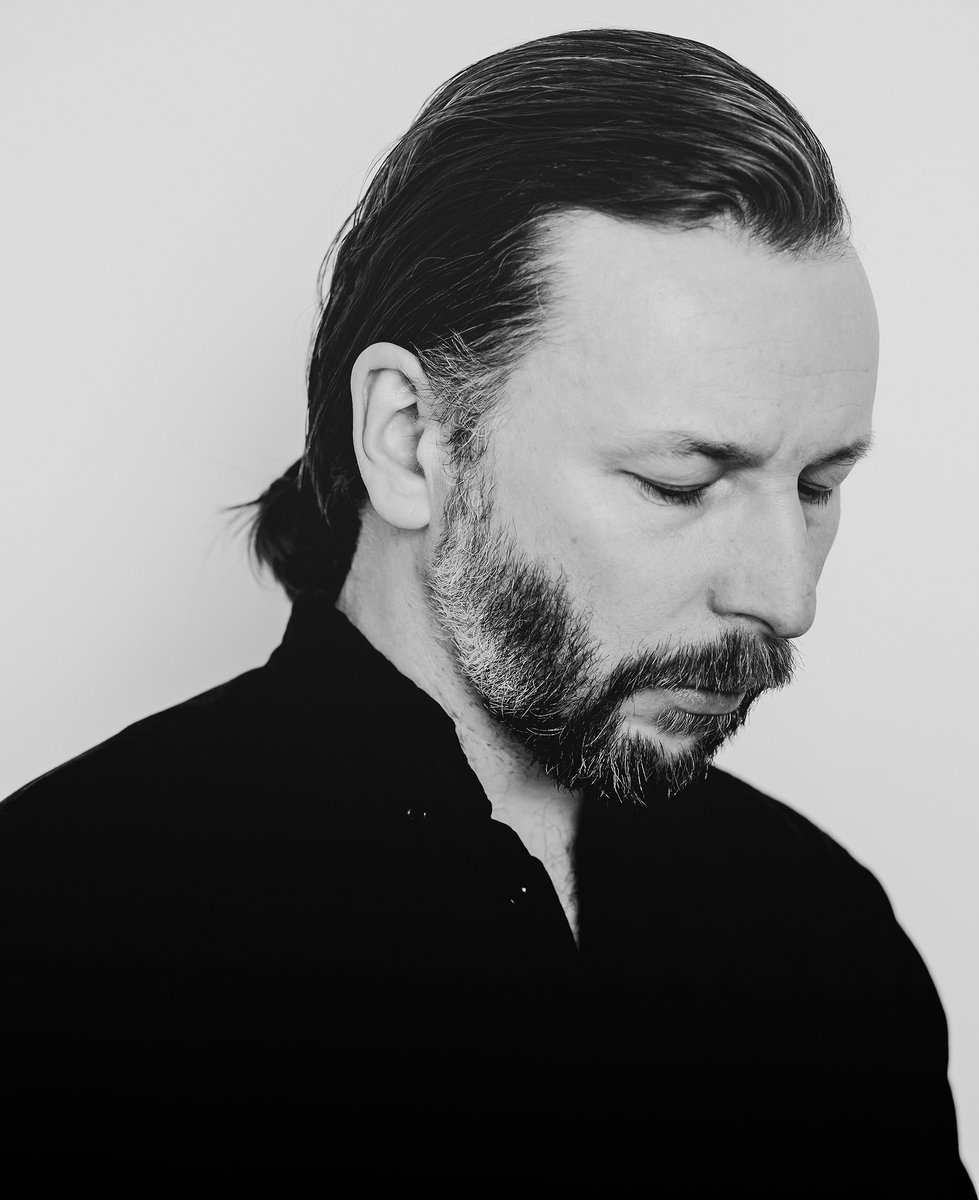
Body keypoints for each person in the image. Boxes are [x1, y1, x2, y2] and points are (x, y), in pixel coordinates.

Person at [0, 27, 973, 1191]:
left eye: (816, 487)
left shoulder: (826, 937)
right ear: (410, 438)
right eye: (678, 483)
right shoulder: (57, 935)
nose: (785, 596)